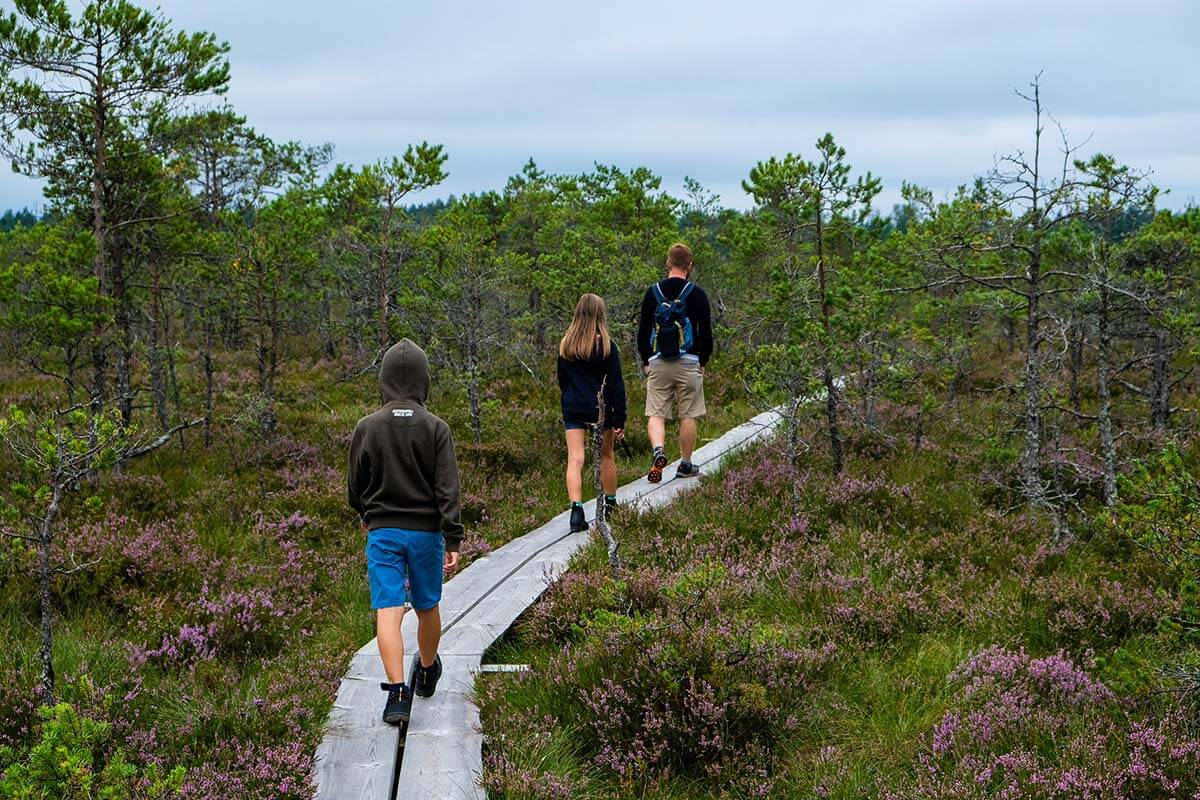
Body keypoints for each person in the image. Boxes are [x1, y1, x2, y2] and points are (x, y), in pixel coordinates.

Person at [348, 338, 463, 726]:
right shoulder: (437, 428)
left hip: (383, 532)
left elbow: (355, 483)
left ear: (382, 380)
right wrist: (453, 538)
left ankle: (397, 692)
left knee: (388, 610)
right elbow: (448, 489)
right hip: (426, 534)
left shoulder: (367, 427)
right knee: (427, 605)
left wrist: (365, 513)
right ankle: (427, 670)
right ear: (423, 381)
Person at [637, 242, 713, 483]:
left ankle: (658, 450)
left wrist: (646, 359)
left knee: (656, 413)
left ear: (668, 263)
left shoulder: (653, 293)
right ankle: (686, 463)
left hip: (659, 361)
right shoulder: (697, 294)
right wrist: (703, 360)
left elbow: (642, 331)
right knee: (688, 414)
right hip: (689, 360)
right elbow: (706, 333)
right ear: (689, 265)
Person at [556, 293, 627, 533]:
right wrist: (620, 419)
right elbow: (617, 385)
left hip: (573, 405)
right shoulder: (607, 346)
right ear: (600, 315)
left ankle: (576, 511)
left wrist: (569, 398)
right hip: (600, 408)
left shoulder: (566, 345)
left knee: (575, 458)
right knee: (606, 455)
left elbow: (562, 380)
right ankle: (610, 504)